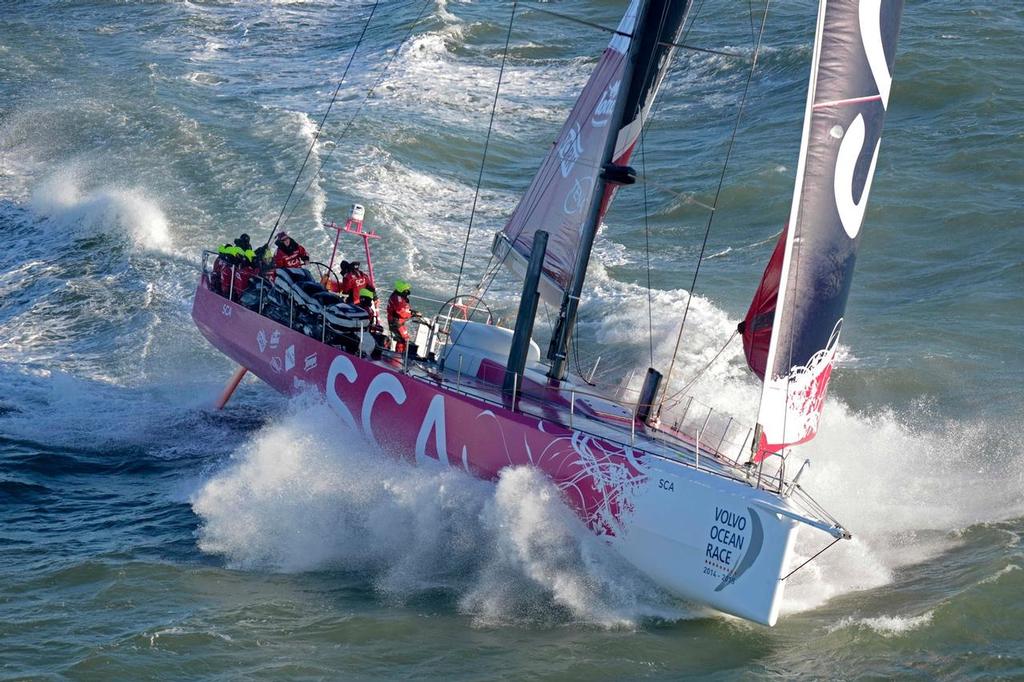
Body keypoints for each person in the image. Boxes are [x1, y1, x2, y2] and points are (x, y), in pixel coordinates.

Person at [387, 280, 418, 354]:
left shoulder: (399, 297)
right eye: (406, 289)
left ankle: (400, 355)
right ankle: (399, 355)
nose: (408, 291)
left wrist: (412, 311)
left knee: (403, 339)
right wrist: (412, 314)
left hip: (399, 322)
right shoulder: (398, 299)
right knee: (403, 339)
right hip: (396, 322)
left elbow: (404, 309)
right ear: (402, 290)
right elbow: (401, 312)